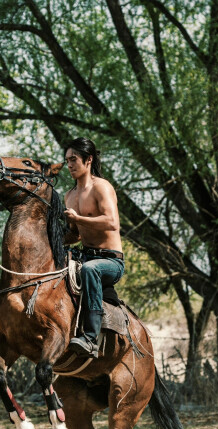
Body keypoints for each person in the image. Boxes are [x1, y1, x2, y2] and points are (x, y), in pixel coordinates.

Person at [64, 137, 124, 358]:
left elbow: (112, 222)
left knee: (91, 270)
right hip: (84, 255)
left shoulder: (102, 187)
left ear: (88, 160)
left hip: (110, 261)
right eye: (67, 160)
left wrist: (79, 217)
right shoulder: (68, 196)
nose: (69, 165)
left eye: (74, 159)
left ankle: (90, 338)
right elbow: (75, 234)